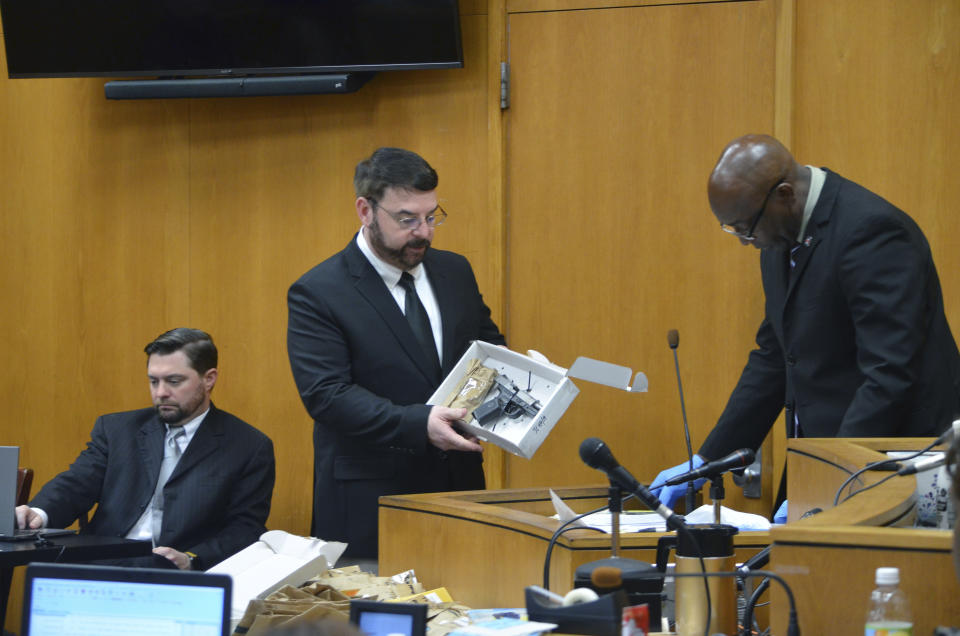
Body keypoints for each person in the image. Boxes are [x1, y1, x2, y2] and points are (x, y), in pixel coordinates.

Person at [652, 134, 960, 514]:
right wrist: (708, 460)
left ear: (784, 195)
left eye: (745, 227)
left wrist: (829, 479)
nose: (745, 241)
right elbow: (775, 357)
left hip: (894, 468)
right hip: (827, 466)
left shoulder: (873, 232)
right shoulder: (779, 238)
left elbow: (889, 373)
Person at [287, 147, 506, 559]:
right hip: (370, 500)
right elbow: (327, 395)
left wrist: (524, 376)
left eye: (431, 216)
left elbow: (487, 348)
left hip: (457, 490)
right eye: (407, 219)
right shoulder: (318, 291)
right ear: (365, 210)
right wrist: (418, 422)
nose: (423, 232)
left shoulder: (455, 271)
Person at [16, 328, 276, 570]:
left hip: (178, 574)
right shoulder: (118, 429)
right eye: (154, 381)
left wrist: (191, 559)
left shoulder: (248, 446)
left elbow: (245, 528)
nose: (161, 393)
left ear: (209, 379)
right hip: (101, 564)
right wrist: (39, 513)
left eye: (174, 381)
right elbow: (77, 483)